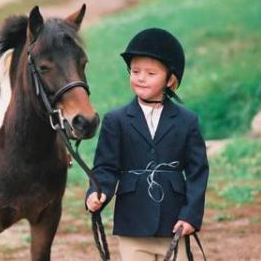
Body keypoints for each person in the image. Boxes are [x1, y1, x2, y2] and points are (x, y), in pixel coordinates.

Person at [86, 28, 209, 260]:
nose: (141, 77)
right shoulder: (116, 120)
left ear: (170, 79)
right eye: (135, 71)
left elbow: (197, 172)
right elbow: (106, 168)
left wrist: (191, 215)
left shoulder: (187, 121)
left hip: (174, 225)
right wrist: (96, 192)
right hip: (132, 226)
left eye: (151, 73)